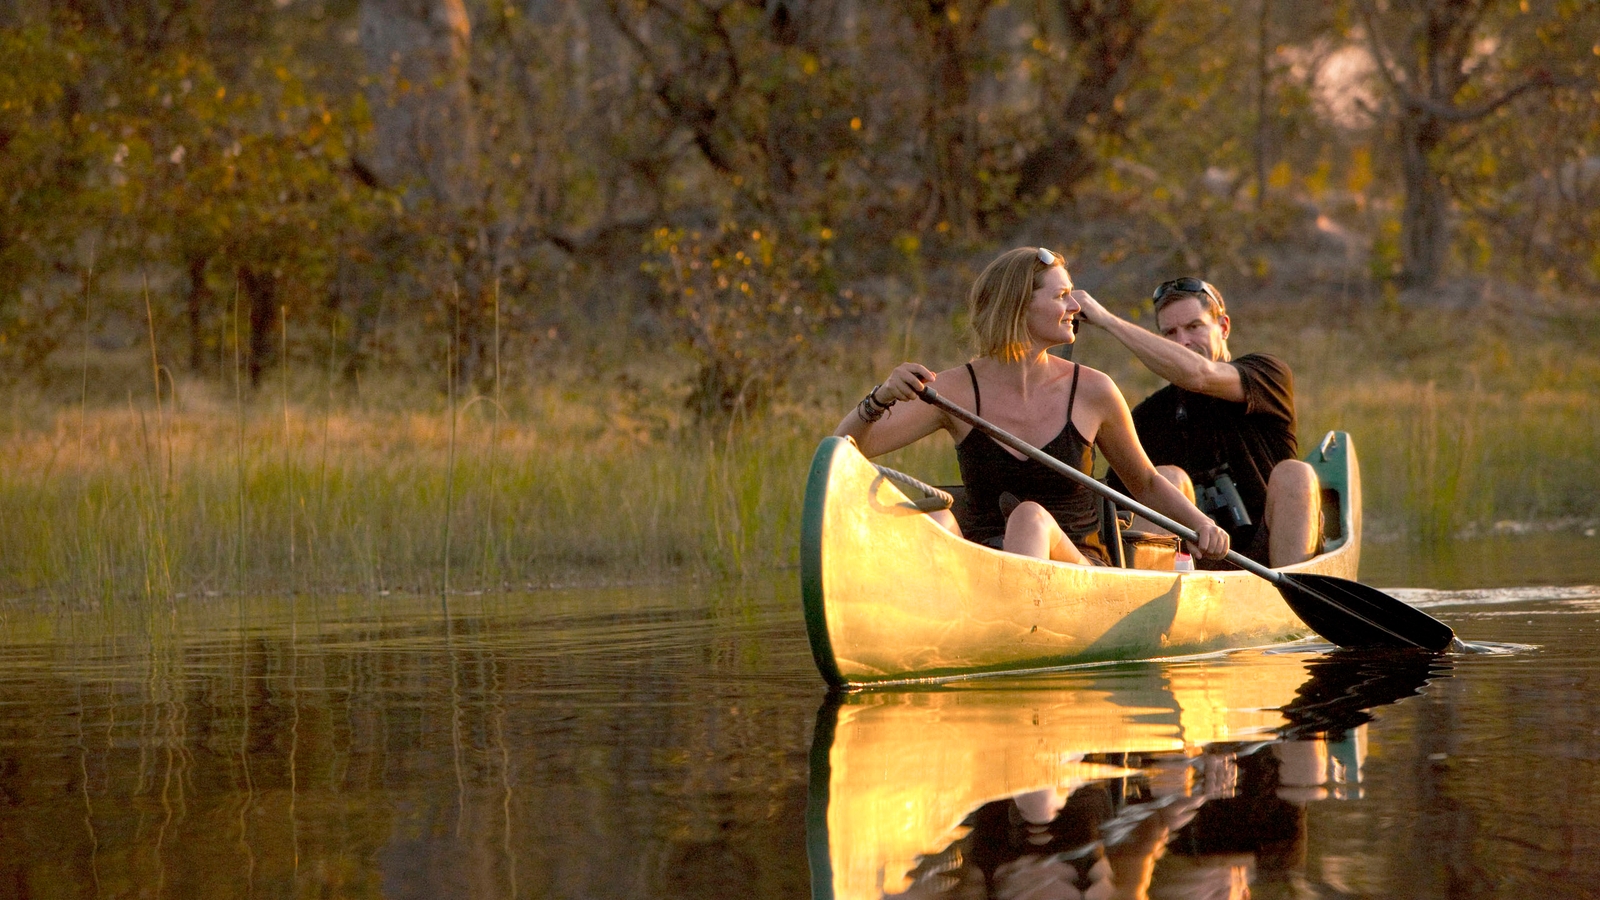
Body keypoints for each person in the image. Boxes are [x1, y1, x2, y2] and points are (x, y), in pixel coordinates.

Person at [832, 247, 1229, 566]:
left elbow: (1144, 483)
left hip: (1078, 568)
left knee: (1030, 517)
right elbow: (841, 452)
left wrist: (1201, 525)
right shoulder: (953, 389)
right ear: (1018, 306)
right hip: (985, 567)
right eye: (1060, 296)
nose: (1076, 305)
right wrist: (879, 399)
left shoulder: (1093, 390)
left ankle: (1020, 629)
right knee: (934, 519)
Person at [1073, 278, 1320, 568]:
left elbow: (1199, 375)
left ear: (1223, 327)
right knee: (1168, 478)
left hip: (1271, 553)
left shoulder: (1265, 376)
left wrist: (1108, 321)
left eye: (1194, 327)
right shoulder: (1148, 416)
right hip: (1189, 563)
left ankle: (1293, 595)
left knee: (1296, 473)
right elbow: (1114, 505)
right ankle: (1144, 599)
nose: (1183, 342)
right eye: (1170, 333)